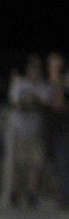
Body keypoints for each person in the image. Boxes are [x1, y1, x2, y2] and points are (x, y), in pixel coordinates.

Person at [7, 54, 51, 208]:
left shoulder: (43, 85)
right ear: (27, 70)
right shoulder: (19, 83)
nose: (33, 72)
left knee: (35, 164)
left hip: (36, 132)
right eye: (31, 68)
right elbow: (14, 101)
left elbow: (46, 103)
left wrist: (35, 101)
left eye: (36, 69)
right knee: (17, 163)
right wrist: (28, 102)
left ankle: (32, 194)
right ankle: (14, 192)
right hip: (19, 130)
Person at [46, 51, 69, 210]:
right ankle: (63, 196)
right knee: (60, 167)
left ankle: (65, 197)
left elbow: (60, 104)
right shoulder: (51, 82)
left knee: (63, 166)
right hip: (57, 131)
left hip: (65, 131)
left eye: (55, 63)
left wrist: (58, 82)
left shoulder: (64, 80)